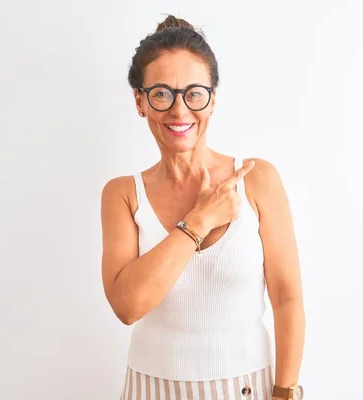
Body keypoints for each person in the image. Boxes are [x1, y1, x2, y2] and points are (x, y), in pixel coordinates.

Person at [100, 15, 306, 400]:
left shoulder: (257, 180)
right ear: (140, 101)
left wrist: (286, 391)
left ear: (212, 99)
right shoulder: (123, 194)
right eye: (162, 93)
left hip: (246, 388)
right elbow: (128, 306)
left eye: (194, 93)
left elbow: (287, 296)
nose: (180, 111)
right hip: (150, 389)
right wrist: (200, 220)